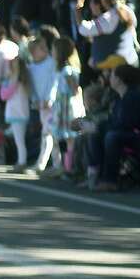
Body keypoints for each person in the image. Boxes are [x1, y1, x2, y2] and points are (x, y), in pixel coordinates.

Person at [81, 64, 140, 191]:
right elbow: (114, 121)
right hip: (135, 135)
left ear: (120, 79)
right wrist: (96, 127)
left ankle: (110, 180)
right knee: (94, 134)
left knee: (112, 137)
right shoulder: (120, 97)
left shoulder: (133, 96)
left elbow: (125, 124)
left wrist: (99, 128)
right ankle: (94, 177)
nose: (110, 77)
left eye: (113, 75)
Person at [77, 0, 138, 71]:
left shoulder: (109, 18)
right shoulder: (128, 11)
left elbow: (83, 30)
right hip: (131, 60)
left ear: (104, 1)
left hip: (116, 68)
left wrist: (78, 11)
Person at [52, 36, 86, 175]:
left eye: (54, 50)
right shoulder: (62, 70)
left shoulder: (67, 70)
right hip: (62, 107)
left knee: (69, 138)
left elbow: (74, 89)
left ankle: (69, 167)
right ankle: (64, 166)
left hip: (68, 107)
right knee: (63, 138)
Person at [28, 37, 59, 172]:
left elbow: (54, 82)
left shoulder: (52, 63)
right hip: (41, 106)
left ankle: (42, 164)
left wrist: (49, 99)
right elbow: (32, 87)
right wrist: (34, 99)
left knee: (48, 133)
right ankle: (57, 164)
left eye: (39, 49)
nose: (36, 52)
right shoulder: (31, 67)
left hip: (53, 105)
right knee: (49, 134)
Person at [0, 56, 33, 171]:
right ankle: (19, 161)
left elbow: (5, 94)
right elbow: (3, 95)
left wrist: (13, 78)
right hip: (15, 113)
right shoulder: (11, 79)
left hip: (19, 113)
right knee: (17, 138)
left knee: (19, 140)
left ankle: (22, 162)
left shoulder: (21, 80)